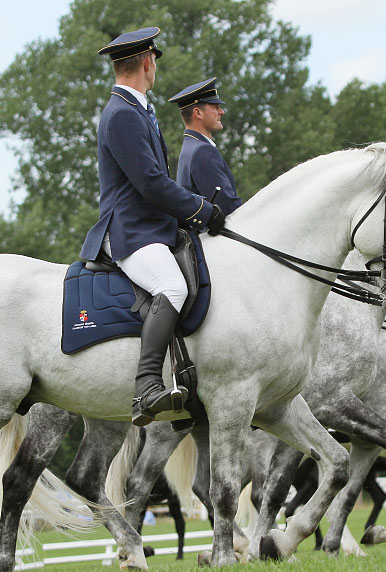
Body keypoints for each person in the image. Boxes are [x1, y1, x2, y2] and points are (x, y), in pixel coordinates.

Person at [79, 27, 226, 426]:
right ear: (148, 62)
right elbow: (150, 183)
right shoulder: (123, 114)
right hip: (129, 230)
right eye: (155, 62)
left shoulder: (137, 109)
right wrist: (199, 208)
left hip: (150, 225)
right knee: (172, 286)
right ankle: (146, 386)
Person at [168, 77, 243, 214]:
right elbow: (228, 208)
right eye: (215, 107)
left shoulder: (190, 147)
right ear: (198, 113)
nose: (222, 112)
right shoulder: (203, 151)